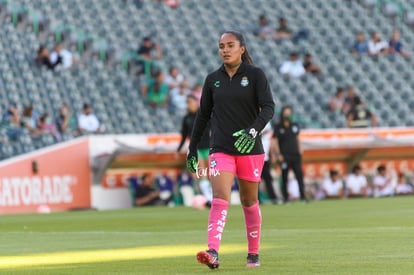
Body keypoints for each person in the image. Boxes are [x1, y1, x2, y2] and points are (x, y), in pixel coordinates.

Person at [186, 31, 274, 269]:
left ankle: (253, 254)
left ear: (242, 49)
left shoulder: (255, 75)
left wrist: (253, 131)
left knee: (249, 201)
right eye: (221, 46)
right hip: (221, 148)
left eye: (230, 45)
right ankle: (213, 251)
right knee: (220, 198)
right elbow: (202, 116)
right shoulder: (212, 79)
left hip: (250, 149)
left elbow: (268, 108)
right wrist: (193, 148)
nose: (225, 50)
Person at [177, 95, 212, 206]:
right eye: (187, 102)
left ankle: (217, 196)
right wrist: (179, 149)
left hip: (209, 146)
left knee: (213, 173)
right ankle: (208, 198)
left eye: (191, 102)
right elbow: (184, 135)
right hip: (197, 148)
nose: (189, 104)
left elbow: (215, 128)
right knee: (202, 173)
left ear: (196, 102)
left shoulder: (204, 114)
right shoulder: (186, 118)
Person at [272, 106, 306, 203]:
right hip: (284, 156)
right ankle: (286, 198)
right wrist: (278, 154)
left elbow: (297, 138)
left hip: (295, 155)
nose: (287, 115)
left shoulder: (294, 125)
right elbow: (275, 141)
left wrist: (300, 150)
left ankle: (302, 197)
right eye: (285, 113)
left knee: (299, 175)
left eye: (289, 113)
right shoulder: (278, 127)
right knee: (284, 177)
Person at [260, 122, 278, 204]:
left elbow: (270, 141)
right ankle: (256, 199)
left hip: (265, 157)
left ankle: (273, 197)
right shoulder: (253, 117)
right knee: (255, 180)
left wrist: (272, 154)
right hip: (256, 156)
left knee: (268, 179)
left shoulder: (267, 122)